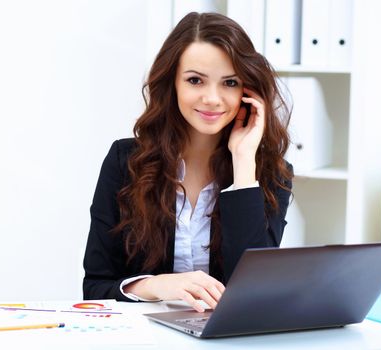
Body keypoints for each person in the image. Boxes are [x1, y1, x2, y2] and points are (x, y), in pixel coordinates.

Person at [83, 12, 293, 312]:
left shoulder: (272, 174)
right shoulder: (125, 162)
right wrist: (157, 285)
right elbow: (94, 287)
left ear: (248, 91)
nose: (212, 98)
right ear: (173, 84)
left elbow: (253, 292)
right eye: (195, 80)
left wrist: (244, 163)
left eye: (230, 82)